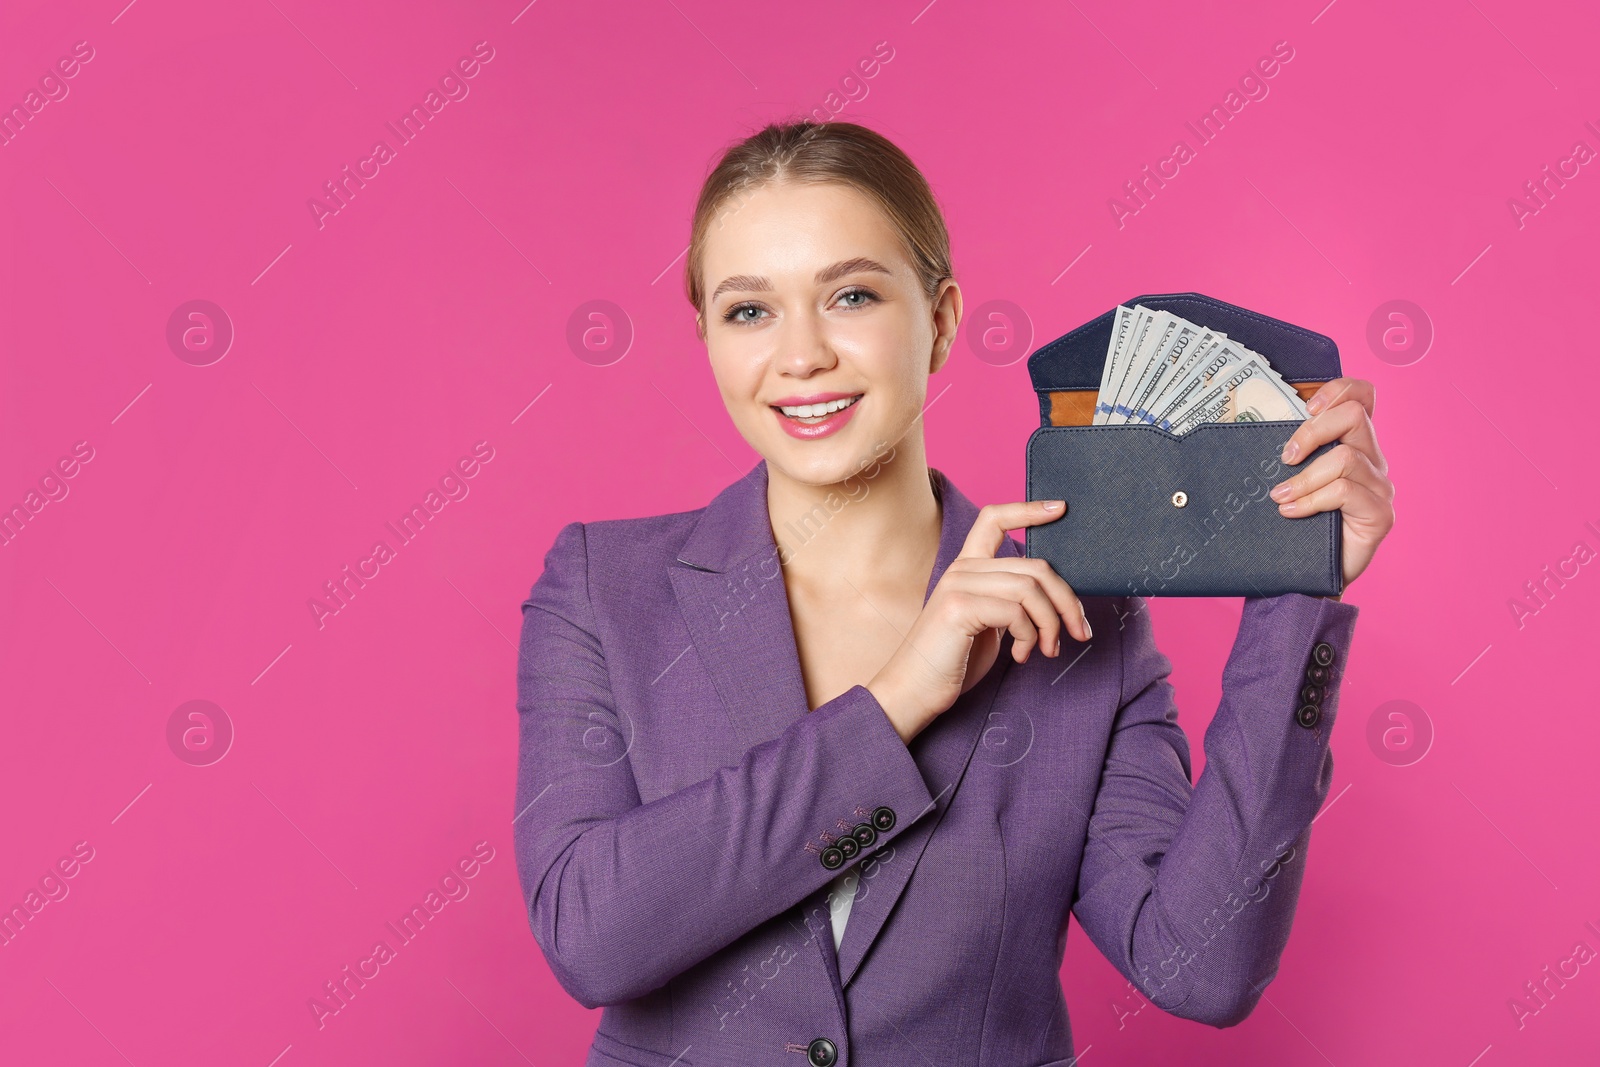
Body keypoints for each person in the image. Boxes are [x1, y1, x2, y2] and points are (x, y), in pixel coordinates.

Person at [514, 120, 1394, 1067]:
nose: (801, 354)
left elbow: (1202, 965)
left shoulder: (1081, 624)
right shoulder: (607, 590)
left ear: (940, 319)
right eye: (749, 310)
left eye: (851, 295)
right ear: (706, 335)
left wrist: (1297, 584)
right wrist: (898, 702)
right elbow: (589, 934)